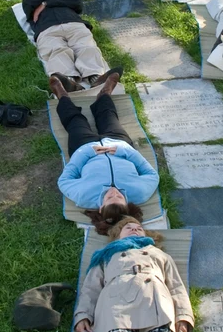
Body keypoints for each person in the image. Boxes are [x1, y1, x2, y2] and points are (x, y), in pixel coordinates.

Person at [51, 72, 158, 231]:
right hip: (118, 144)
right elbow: (150, 173)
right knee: (108, 116)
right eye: (119, 197)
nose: (114, 192)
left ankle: (62, 95)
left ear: (100, 208)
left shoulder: (83, 196)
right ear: (127, 204)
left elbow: (65, 180)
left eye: (109, 197)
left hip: (84, 147)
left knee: (75, 121)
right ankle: (104, 92)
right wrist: (123, 150)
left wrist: (89, 152)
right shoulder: (141, 192)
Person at [22, 0, 110, 91]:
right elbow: (29, 1)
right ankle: (68, 80)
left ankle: (95, 76)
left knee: (86, 47)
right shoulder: (30, 1)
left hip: (74, 24)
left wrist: (45, 3)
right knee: (56, 50)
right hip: (47, 29)